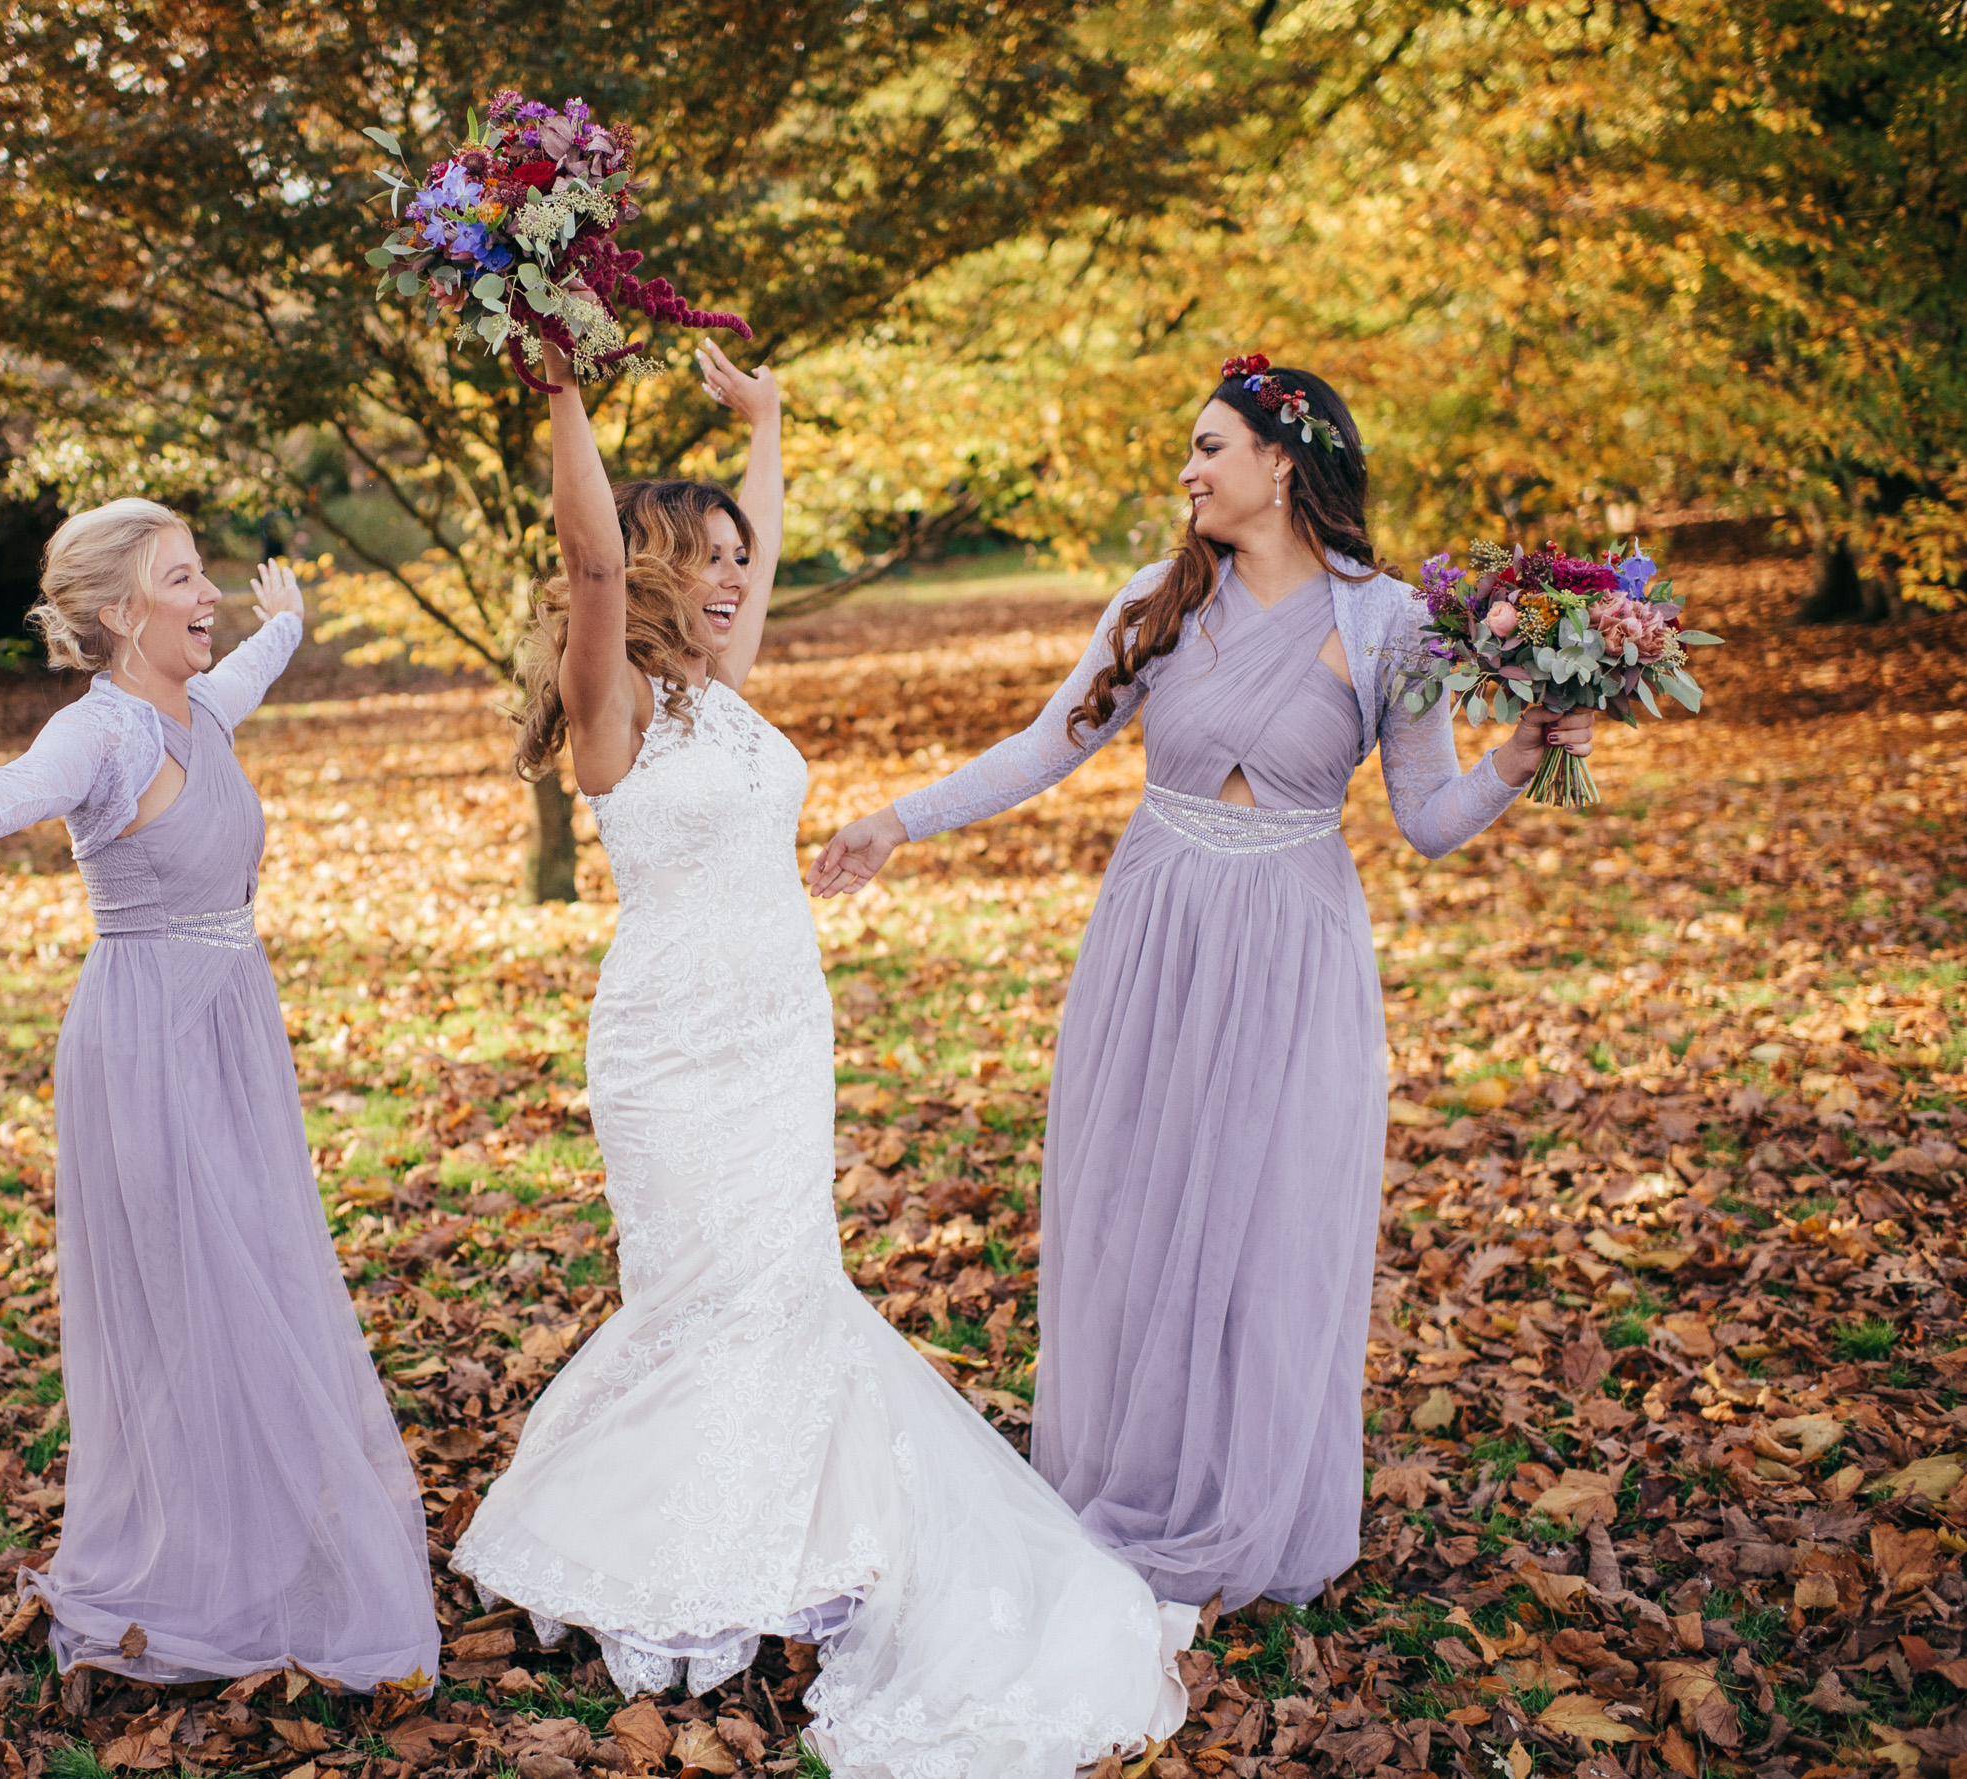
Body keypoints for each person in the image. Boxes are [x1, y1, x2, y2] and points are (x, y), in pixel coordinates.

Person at [449, 339, 1191, 1779]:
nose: (735, 574)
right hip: (672, 1043)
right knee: (700, 1292)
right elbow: (590, 564)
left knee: (786, 1283)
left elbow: (767, 549)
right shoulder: (619, 710)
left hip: (783, 1025)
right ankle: (676, 1553)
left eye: (740, 554)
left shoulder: (726, 684)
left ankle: (788, 1532)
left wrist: (769, 424)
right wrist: (560, 387)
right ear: (652, 568)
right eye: (706, 555)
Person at [808, 358, 1596, 1612]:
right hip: (1156, 933)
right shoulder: (1156, 601)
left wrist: (1514, 753)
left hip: (1293, 946)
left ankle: (1245, 1501)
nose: (1186, 470)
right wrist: (899, 822)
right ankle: (1139, 1474)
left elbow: (1431, 821)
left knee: (1269, 1220)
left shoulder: (1389, 622)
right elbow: (1043, 745)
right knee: (1139, 1206)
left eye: (1207, 446)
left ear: (1281, 463)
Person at [0, 500, 437, 1688]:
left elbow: (243, 669)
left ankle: (258, 1547)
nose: (209, 595)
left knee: (265, 1278)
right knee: (201, 1300)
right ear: (122, 616)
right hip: (148, 1046)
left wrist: (285, 625)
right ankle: (197, 1572)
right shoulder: (104, 737)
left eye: (206, 577)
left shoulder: (202, 708)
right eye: (184, 580)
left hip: (234, 1032)